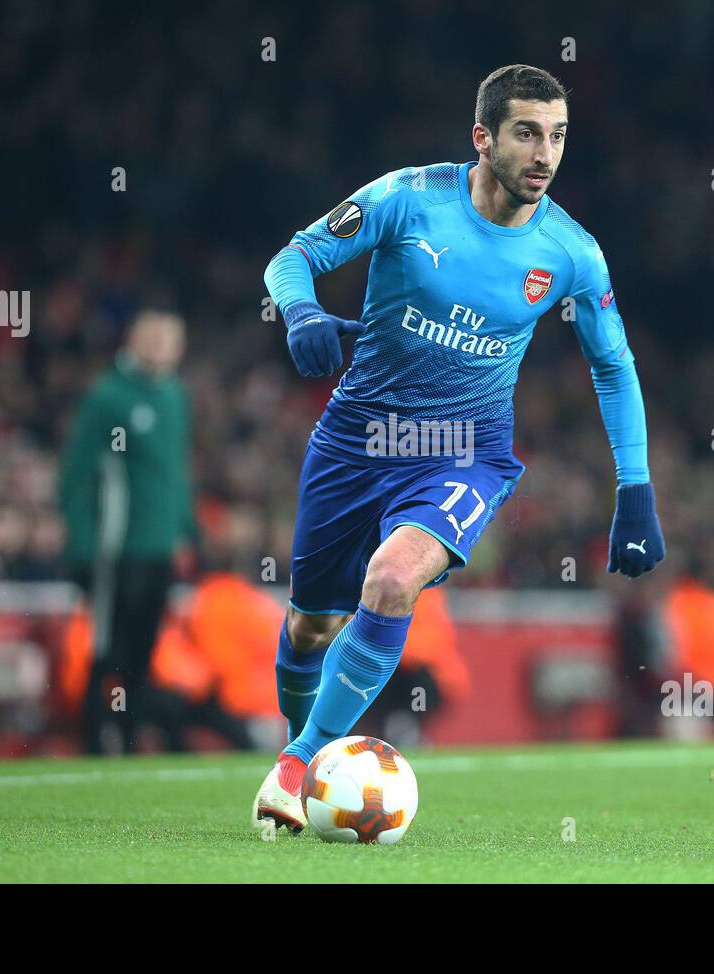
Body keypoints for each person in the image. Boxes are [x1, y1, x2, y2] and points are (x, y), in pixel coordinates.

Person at [252, 65, 664, 830]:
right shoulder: (408, 198)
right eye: (527, 133)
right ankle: (300, 739)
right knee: (311, 622)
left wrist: (634, 487)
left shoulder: (572, 252)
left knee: (392, 579)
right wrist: (303, 314)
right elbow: (292, 257)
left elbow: (613, 365)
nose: (545, 153)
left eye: (559, 135)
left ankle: (299, 763)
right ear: (483, 137)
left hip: (464, 450)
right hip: (358, 440)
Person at [58, 310, 198, 754]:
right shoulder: (107, 397)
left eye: (170, 338)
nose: (162, 346)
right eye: (153, 337)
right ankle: (94, 738)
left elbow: (175, 471)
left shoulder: (175, 395)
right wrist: (81, 544)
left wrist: (188, 531)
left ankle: (132, 739)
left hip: (160, 549)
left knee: (144, 648)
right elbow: (76, 475)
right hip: (116, 547)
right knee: (106, 646)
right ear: (133, 340)